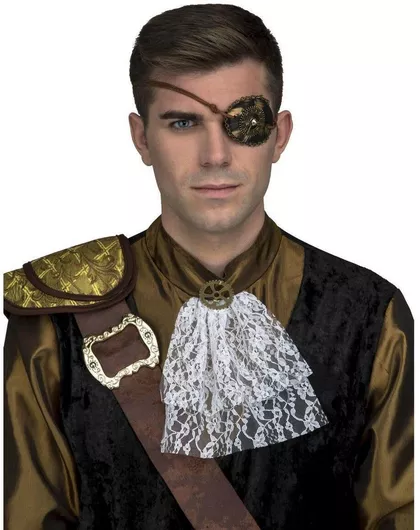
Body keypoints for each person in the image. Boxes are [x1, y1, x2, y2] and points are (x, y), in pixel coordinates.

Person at [3, 4, 413, 530]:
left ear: (280, 135)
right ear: (142, 138)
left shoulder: (370, 314)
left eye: (244, 122)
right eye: (183, 122)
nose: (215, 155)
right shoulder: (57, 314)